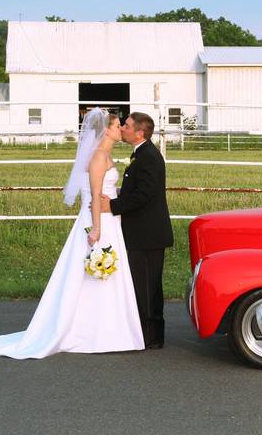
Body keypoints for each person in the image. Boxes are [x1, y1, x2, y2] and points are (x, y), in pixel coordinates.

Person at [0, 108, 145, 358]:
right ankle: (87, 331)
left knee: (105, 274)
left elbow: (106, 192)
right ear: (106, 129)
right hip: (100, 220)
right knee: (91, 272)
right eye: (118, 124)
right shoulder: (98, 156)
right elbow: (95, 196)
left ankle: (109, 330)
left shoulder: (105, 155)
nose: (121, 128)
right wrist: (96, 228)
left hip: (111, 219)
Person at [100, 112, 173, 349]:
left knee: (148, 285)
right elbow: (138, 190)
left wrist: (112, 205)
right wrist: (119, 195)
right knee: (141, 284)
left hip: (148, 234)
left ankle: (152, 337)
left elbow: (145, 194)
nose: (122, 128)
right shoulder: (141, 154)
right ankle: (143, 332)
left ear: (140, 132)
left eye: (128, 126)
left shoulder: (149, 157)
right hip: (142, 232)